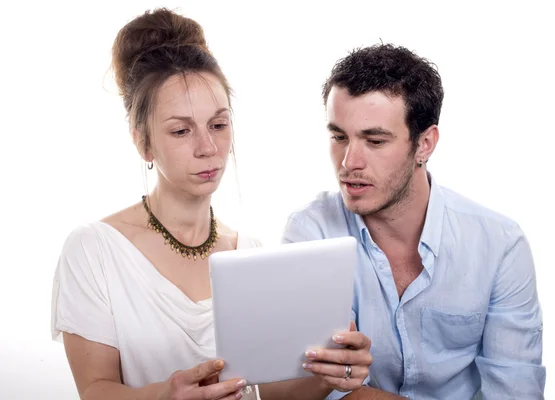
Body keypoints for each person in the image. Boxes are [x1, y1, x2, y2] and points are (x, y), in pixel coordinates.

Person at [50, 8, 371, 400]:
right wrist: (166, 395)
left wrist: (329, 375)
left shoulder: (248, 252)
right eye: (181, 130)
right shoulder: (94, 250)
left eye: (218, 125)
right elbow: (94, 390)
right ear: (142, 141)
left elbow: (261, 392)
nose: (208, 148)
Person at [282, 44, 546, 399]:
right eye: (338, 137)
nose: (349, 162)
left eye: (374, 140)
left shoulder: (499, 245)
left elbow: (515, 392)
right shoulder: (311, 232)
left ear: (425, 144)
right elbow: (314, 389)